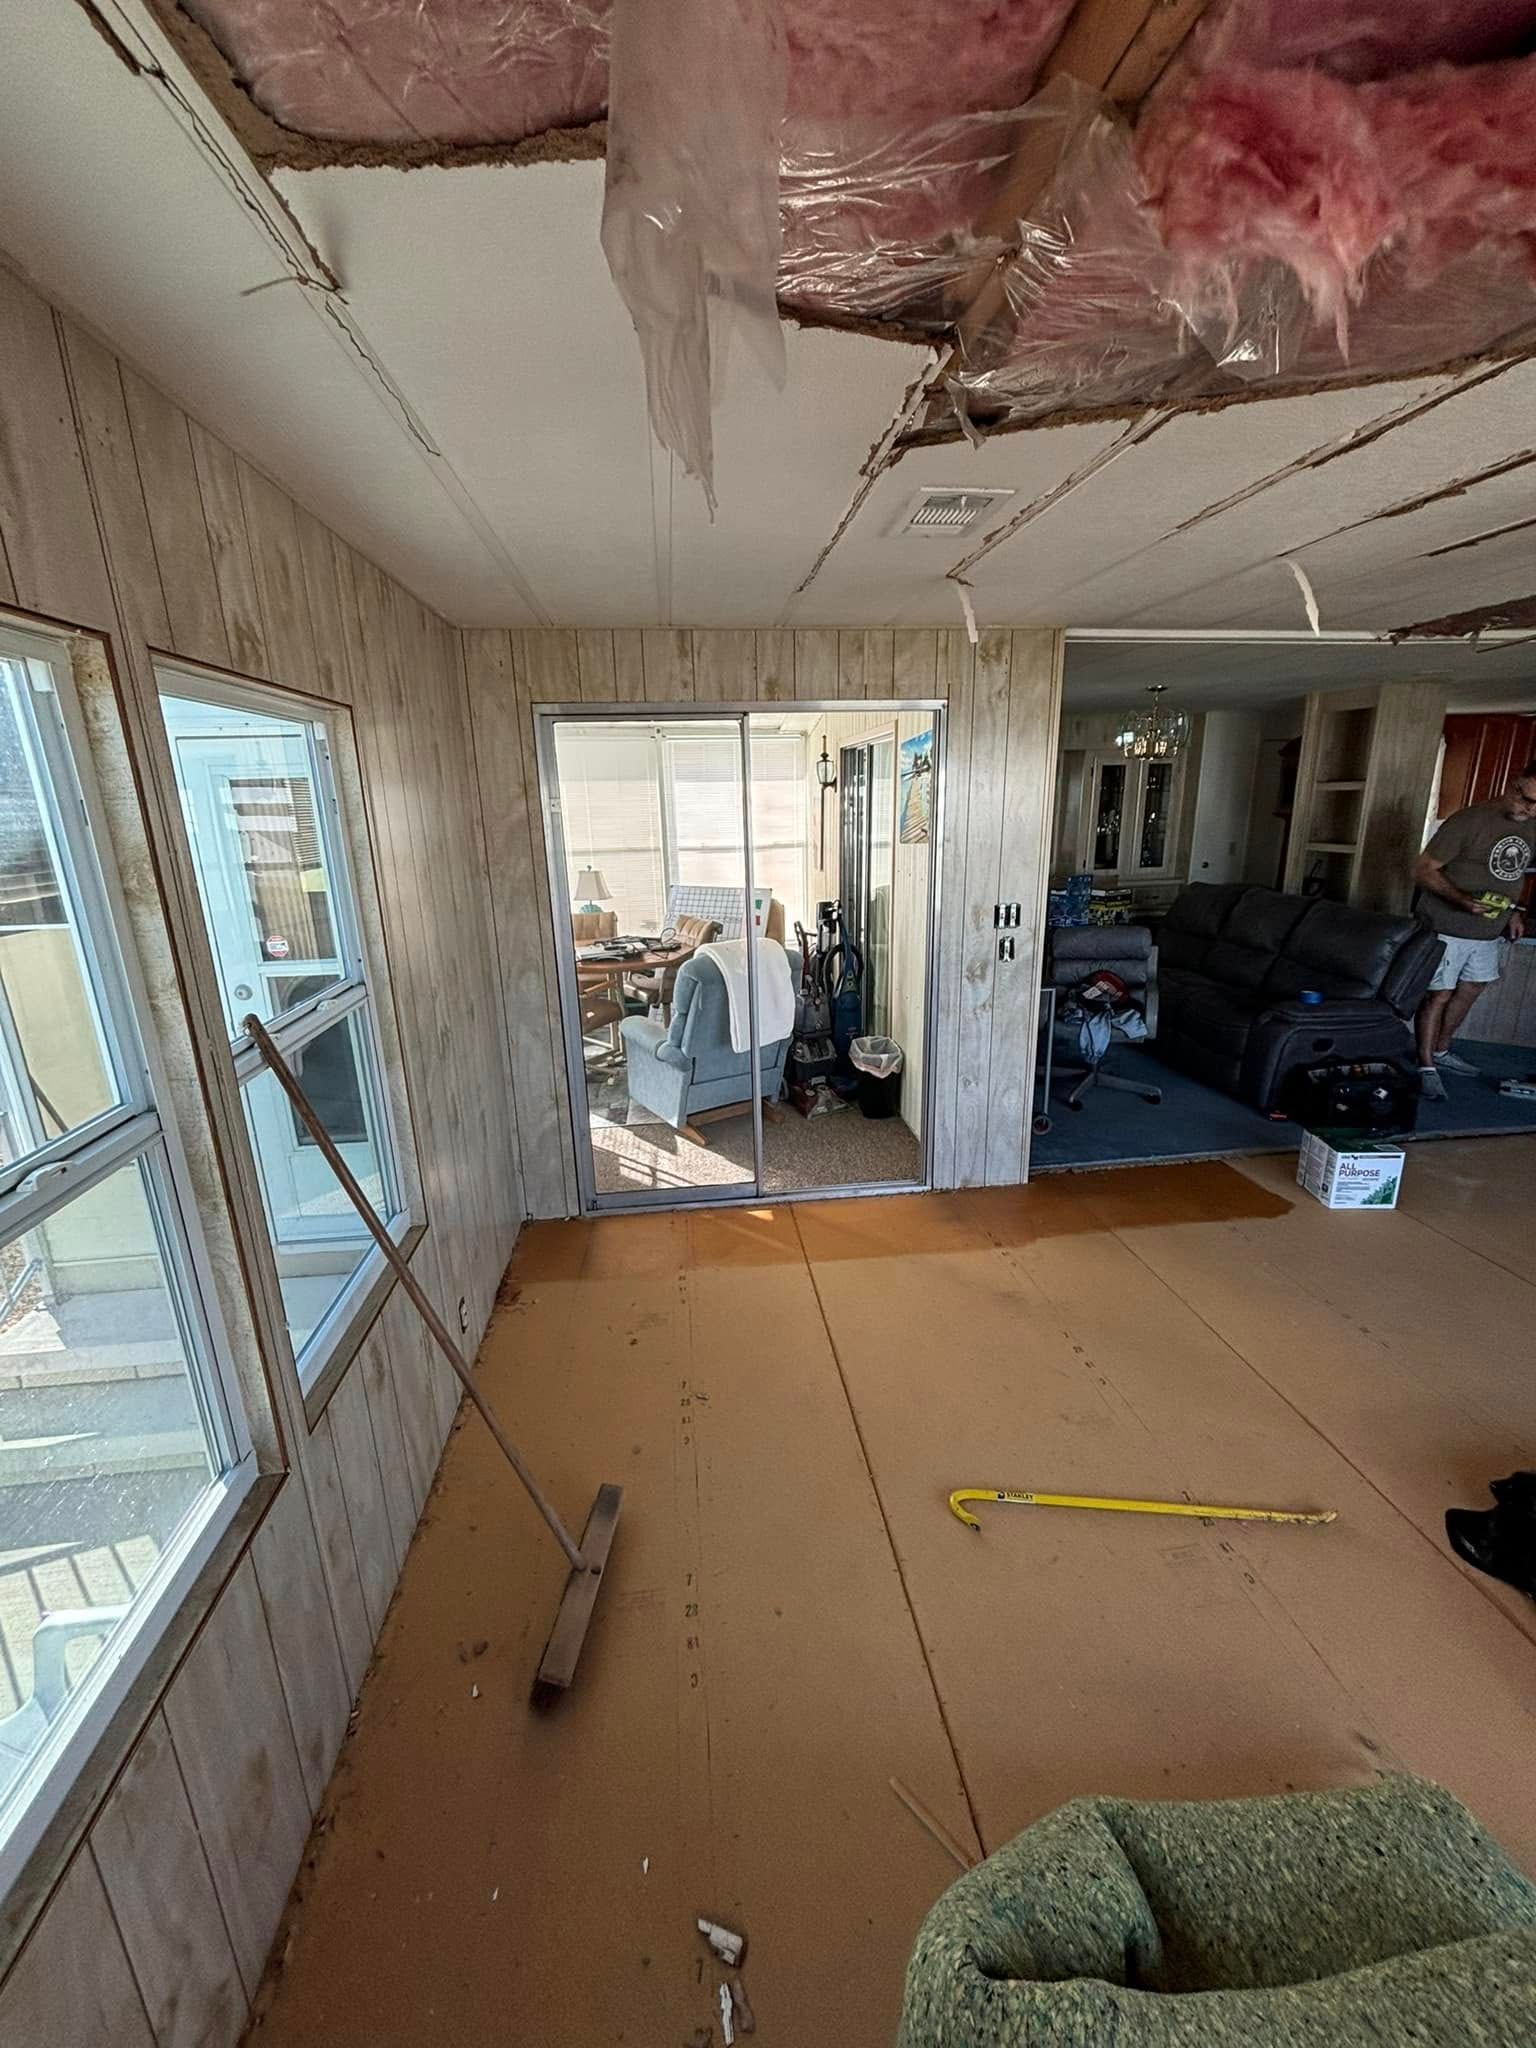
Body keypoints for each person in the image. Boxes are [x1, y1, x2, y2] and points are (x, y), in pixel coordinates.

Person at [1412, 761, 1536, 1099]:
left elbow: (1514, 873)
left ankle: (1441, 1050)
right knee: (1439, 994)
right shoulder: (1469, 821)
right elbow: (1423, 870)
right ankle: (1425, 1065)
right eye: (1527, 800)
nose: (1530, 810)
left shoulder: (1532, 826)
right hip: (1446, 925)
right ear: (1515, 785)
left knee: (1471, 989)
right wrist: (1462, 900)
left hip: (1487, 931)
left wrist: (1513, 911)